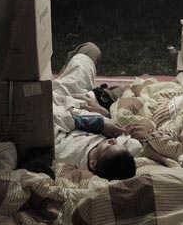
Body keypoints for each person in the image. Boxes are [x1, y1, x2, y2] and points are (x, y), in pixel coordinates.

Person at [52, 43, 138, 181]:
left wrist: (99, 123)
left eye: (109, 146)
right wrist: (103, 112)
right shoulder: (121, 153)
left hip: (63, 101)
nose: (112, 141)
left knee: (89, 50)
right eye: (116, 143)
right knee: (117, 92)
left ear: (93, 164)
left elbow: (57, 119)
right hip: (90, 103)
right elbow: (136, 145)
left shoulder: (67, 154)